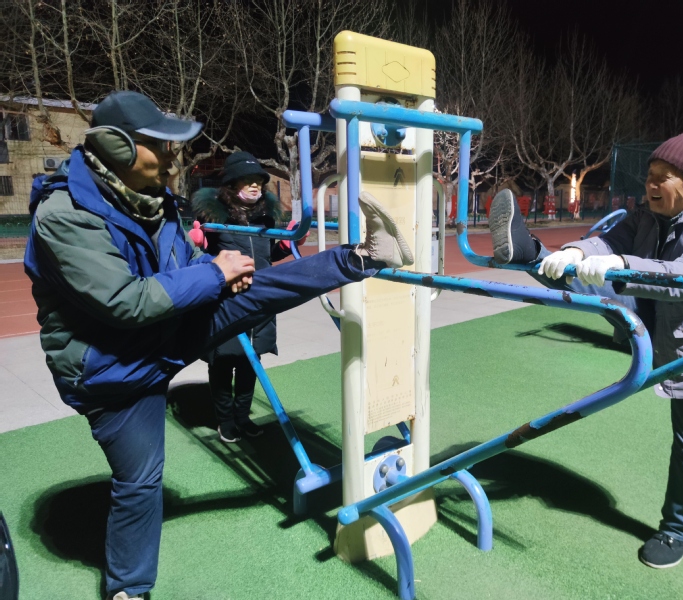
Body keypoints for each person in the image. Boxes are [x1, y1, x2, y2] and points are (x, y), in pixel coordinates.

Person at [24, 90, 413, 600]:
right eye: (159, 144)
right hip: (111, 370)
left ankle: (364, 257)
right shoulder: (64, 214)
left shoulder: (156, 200)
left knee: (255, 291)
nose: (172, 155)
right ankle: (129, 590)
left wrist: (218, 275)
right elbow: (124, 302)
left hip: (162, 334)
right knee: (140, 482)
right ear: (118, 148)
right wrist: (213, 274)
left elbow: (183, 263)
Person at [489, 132, 683, 569]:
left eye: (663, 177)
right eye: (649, 175)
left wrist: (622, 264)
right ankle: (529, 252)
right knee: (579, 274)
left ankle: (677, 531)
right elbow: (609, 240)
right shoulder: (647, 213)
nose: (650, 184)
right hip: (653, 321)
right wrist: (577, 249)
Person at [190, 152, 300, 443]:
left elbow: (268, 254)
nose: (255, 186)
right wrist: (200, 243)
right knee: (223, 362)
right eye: (247, 181)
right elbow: (202, 258)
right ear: (232, 183)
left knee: (251, 363)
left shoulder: (265, 217)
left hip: (259, 299)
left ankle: (242, 417)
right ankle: (225, 421)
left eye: (258, 182)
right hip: (227, 300)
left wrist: (287, 245)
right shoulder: (215, 217)